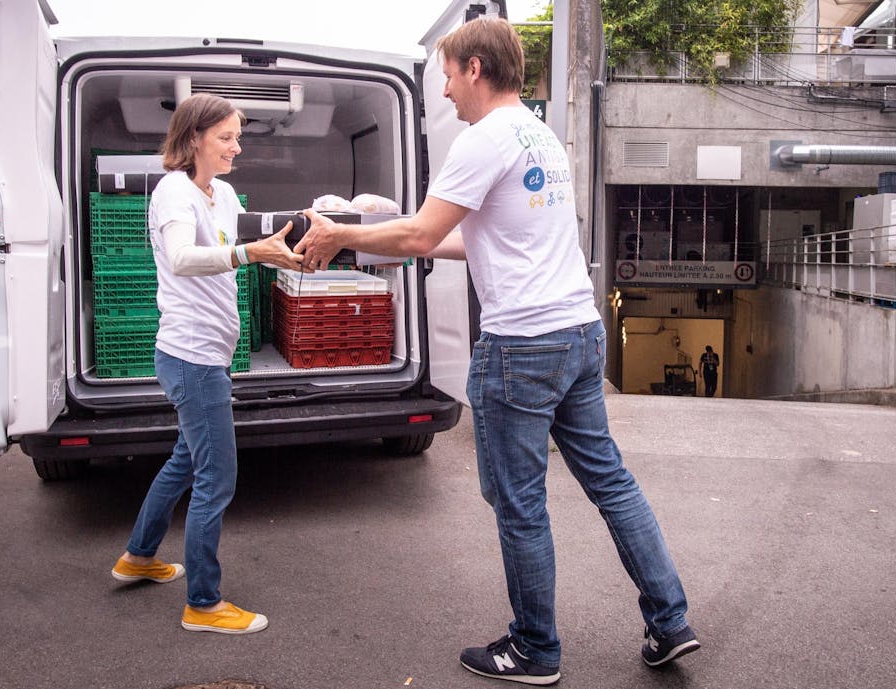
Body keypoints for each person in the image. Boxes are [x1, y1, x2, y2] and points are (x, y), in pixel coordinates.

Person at [296, 17, 698, 684]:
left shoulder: (481, 140)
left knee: (519, 502)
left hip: (523, 346)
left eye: (449, 74)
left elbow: (424, 235)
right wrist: (365, 238)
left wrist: (339, 234)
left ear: (476, 69)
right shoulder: (541, 136)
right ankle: (670, 619)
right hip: (579, 331)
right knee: (612, 484)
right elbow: (473, 239)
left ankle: (535, 648)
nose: (447, 89)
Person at [111, 93, 303, 635]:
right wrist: (251, 255)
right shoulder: (175, 192)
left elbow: (245, 243)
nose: (236, 147)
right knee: (217, 477)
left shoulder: (218, 193)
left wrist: (284, 253)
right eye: (226, 137)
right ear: (193, 137)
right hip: (191, 358)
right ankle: (203, 603)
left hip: (205, 355)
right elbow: (181, 259)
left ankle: (139, 556)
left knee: (186, 462)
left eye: (238, 137)